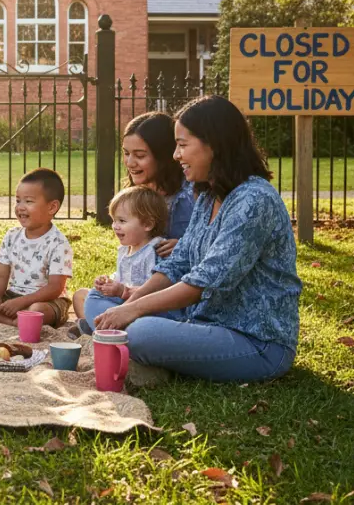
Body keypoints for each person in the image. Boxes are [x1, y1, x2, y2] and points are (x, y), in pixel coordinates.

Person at [85, 95, 301, 382]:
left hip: (255, 341)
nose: (176, 155)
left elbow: (203, 282)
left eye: (183, 145)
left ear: (215, 145)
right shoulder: (208, 195)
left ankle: (138, 351)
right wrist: (131, 302)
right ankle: (144, 352)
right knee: (96, 299)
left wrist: (133, 310)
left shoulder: (254, 200)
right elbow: (179, 262)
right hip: (199, 320)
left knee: (139, 332)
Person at [0, 168, 72, 328]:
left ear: (52, 207)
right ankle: (13, 322)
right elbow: (1, 274)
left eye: (29, 201)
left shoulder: (58, 243)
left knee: (37, 310)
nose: (20, 207)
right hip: (12, 297)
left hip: (47, 301)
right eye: (18, 200)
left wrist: (22, 302)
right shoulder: (12, 235)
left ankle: (17, 320)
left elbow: (55, 287)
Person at [71, 186, 168, 332]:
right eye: (114, 220)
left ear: (147, 224)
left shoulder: (155, 250)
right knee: (82, 295)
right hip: (122, 303)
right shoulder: (124, 250)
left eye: (122, 221)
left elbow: (157, 291)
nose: (115, 226)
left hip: (145, 310)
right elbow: (122, 276)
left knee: (93, 299)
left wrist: (123, 291)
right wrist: (108, 282)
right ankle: (98, 326)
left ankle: (96, 327)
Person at [121, 112, 194, 257]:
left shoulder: (191, 195)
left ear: (163, 156)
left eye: (140, 155)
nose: (130, 163)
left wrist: (184, 246)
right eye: (126, 153)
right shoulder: (133, 194)